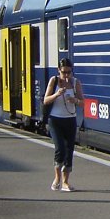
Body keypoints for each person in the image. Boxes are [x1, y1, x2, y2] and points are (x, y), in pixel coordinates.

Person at [43, 57, 84, 192]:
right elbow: (45, 100)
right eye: (64, 72)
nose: (66, 75)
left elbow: (83, 102)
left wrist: (75, 100)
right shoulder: (53, 81)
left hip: (70, 119)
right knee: (60, 148)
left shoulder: (75, 83)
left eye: (69, 72)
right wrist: (56, 94)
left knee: (69, 150)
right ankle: (57, 178)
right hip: (55, 119)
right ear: (58, 71)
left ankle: (66, 182)